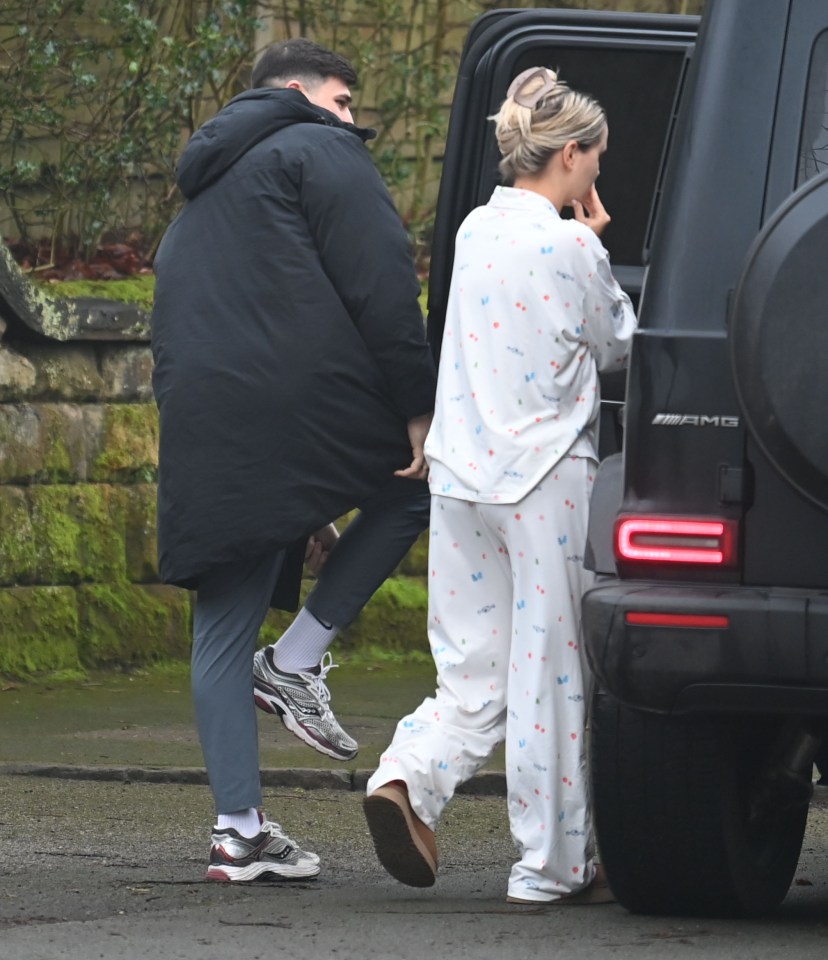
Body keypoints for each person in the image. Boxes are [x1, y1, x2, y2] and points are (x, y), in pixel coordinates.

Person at [151, 38, 436, 882]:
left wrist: (308, 500)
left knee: (221, 623)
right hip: (302, 402)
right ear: (300, 93)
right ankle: (298, 660)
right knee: (423, 485)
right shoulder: (318, 145)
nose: (354, 120)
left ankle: (238, 832)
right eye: (345, 101)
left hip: (207, 421)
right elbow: (381, 279)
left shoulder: (199, 195)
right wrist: (418, 404)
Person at [362, 66, 637, 903]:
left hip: (460, 476)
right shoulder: (571, 244)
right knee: (550, 671)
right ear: (571, 154)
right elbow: (620, 340)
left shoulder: (478, 229)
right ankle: (550, 864)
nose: (597, 171)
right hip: (544, 476)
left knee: (472, 671)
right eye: (595, 157)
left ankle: (407, 778)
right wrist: (598, 235)